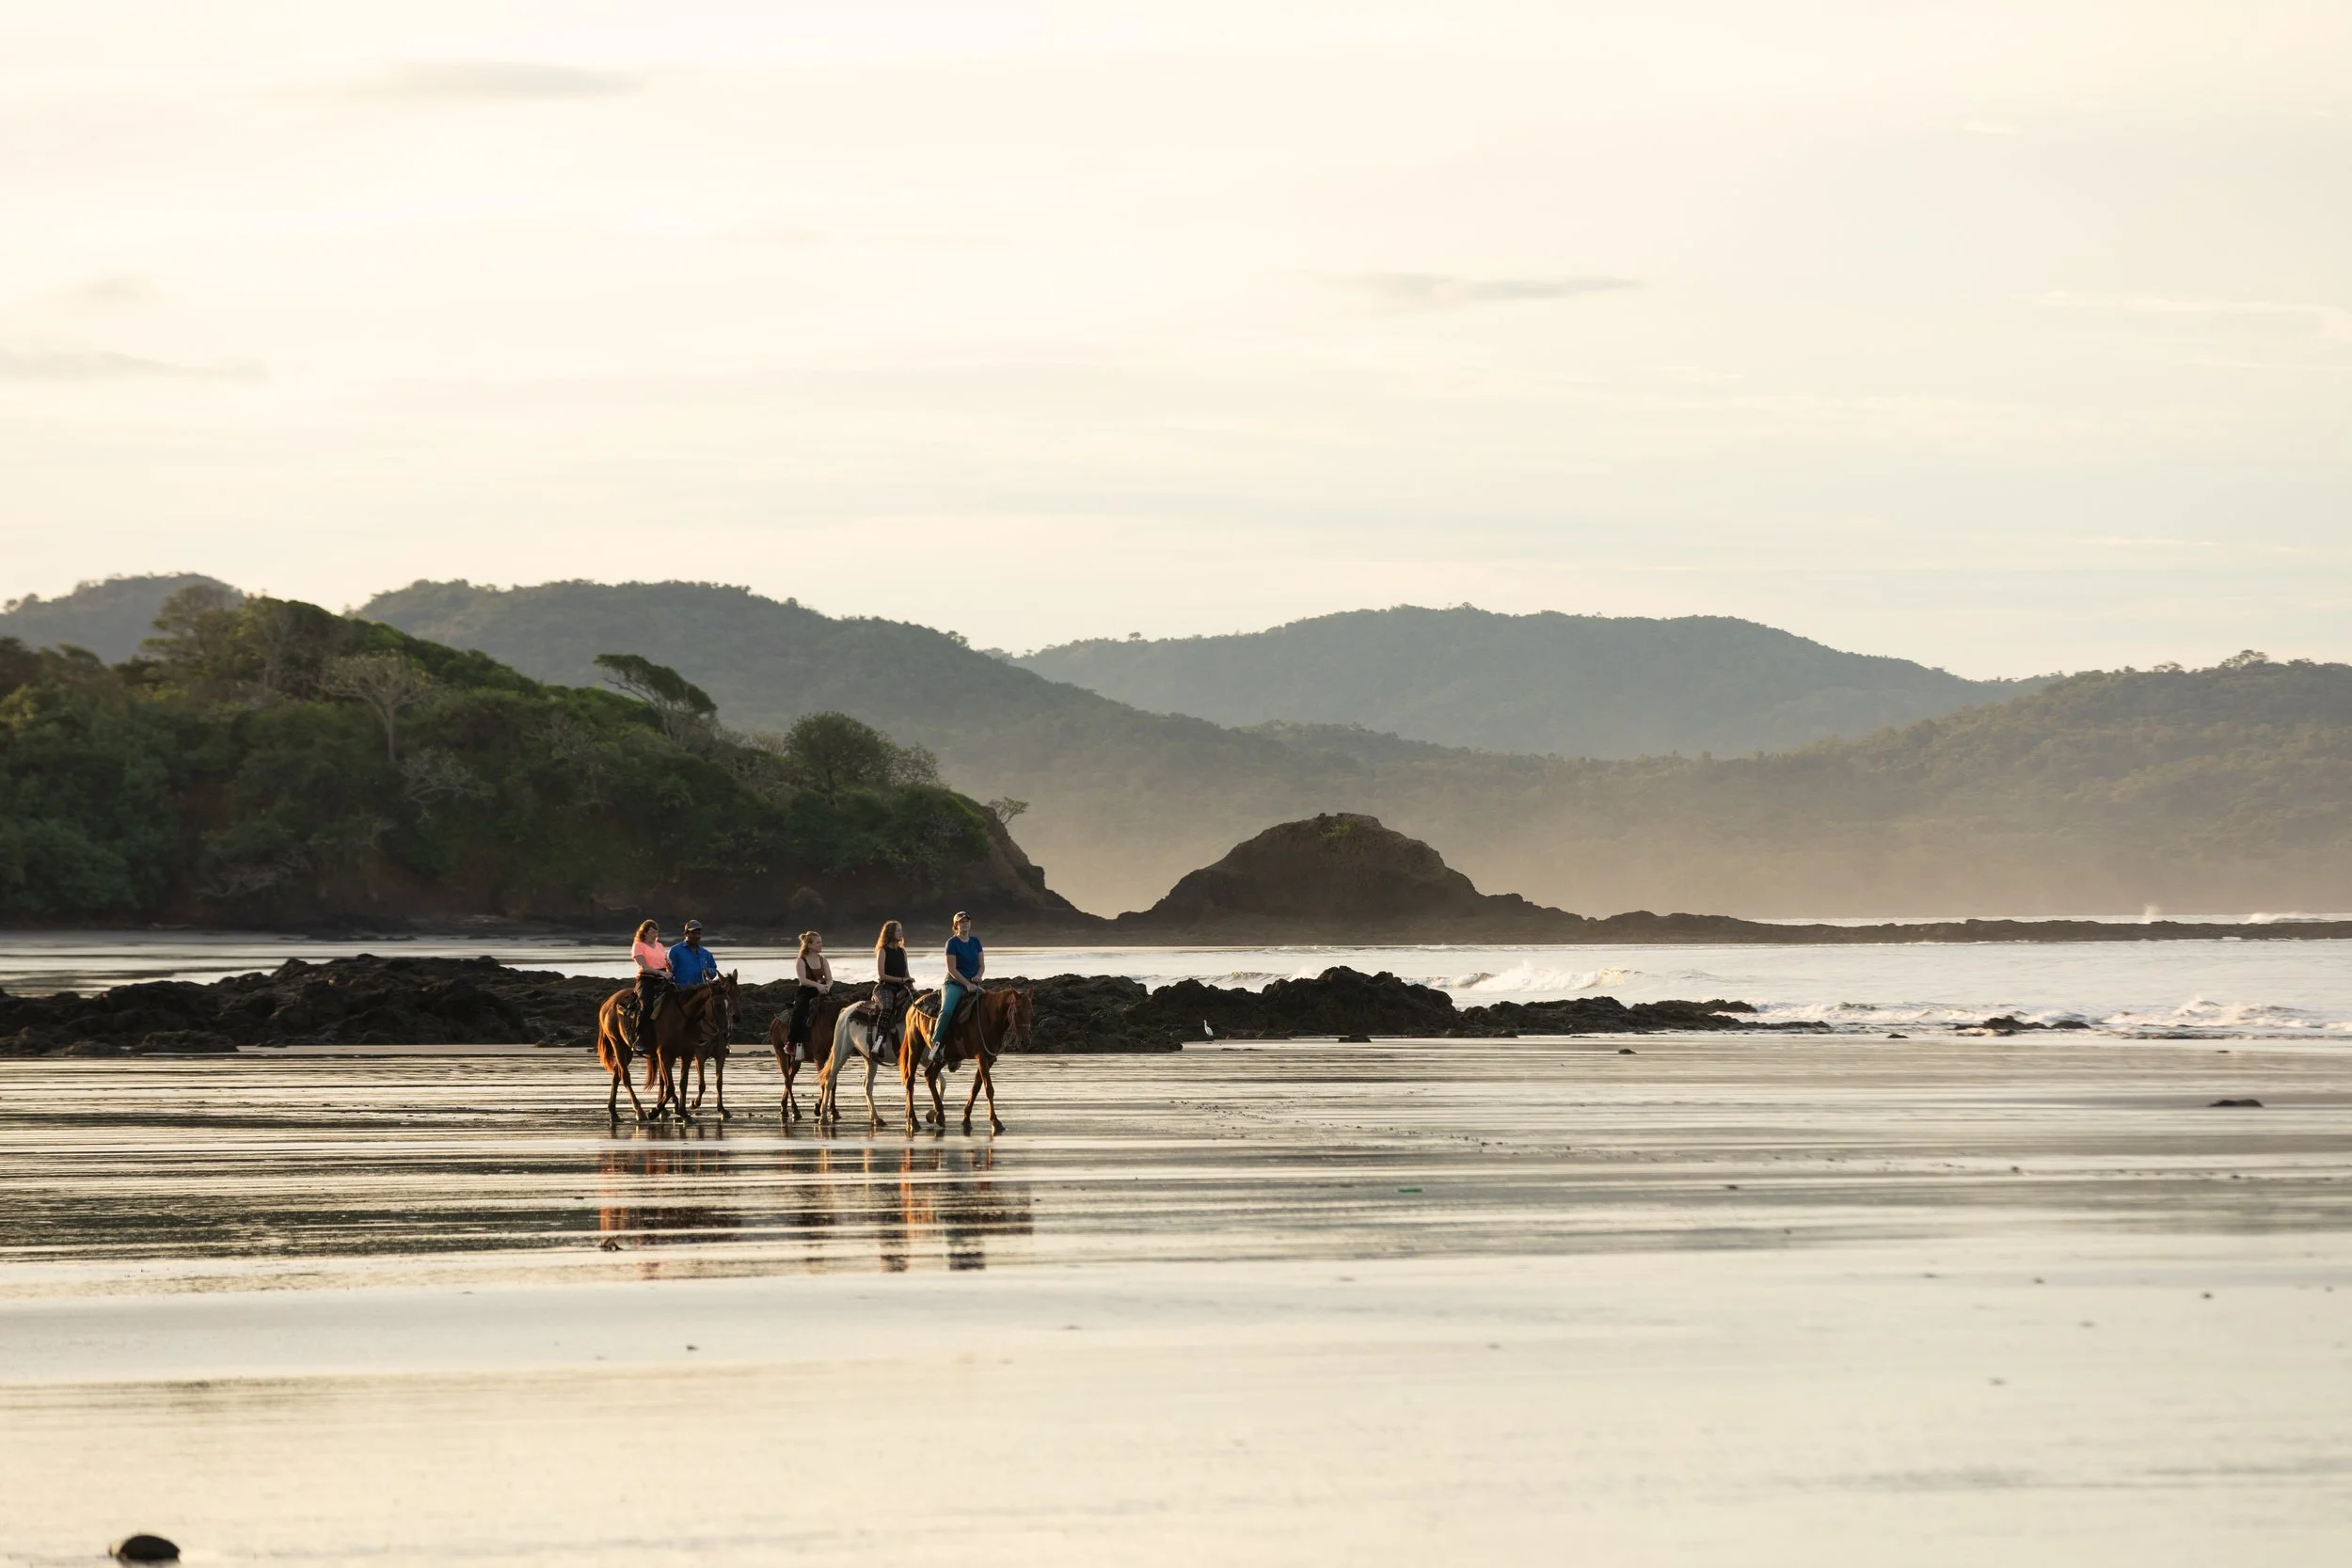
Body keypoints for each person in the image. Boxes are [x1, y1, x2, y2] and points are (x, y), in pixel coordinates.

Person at [931, 911, 983, 1067]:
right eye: (961, 922)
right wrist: (966, 984)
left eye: (967, 921)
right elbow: (952, 969)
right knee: (947, 1011)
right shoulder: (952, 943)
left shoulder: (976, 942)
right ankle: (936, 1044)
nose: (965, 924)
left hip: (974, 983)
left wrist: (979, 976)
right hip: (954, 983)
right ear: (956, 925)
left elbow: (981, 965)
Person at [787, 930, 832, 1062]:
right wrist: (817, 986)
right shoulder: (801, 960)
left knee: (839, 1008)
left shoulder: (823, 960)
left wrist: (827, 986)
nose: (821, 945)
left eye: (821, 942)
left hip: (824, 991)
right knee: (799, 1011)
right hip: (806, 991)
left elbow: (830, 978)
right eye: (818, 943)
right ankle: (791, 1043)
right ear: (810, 945)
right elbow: (802, 980)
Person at [628, 918, 672, 1049]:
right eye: (652, 932)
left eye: (656, 932)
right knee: (646, 1006)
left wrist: (669, 967)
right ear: (645, 933)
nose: (655, 934)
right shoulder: (638, 945)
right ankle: (639, 1037)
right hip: (646, 979)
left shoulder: (659, 946)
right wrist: (660, 973)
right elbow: (643, 966)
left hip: (663, 978)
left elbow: (664, 962)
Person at [872, 920, 913, 1050]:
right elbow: (882, 975)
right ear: (890, 933)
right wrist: (902, 980)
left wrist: (909, 982)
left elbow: (906, 972)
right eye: (898, 930)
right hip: (885, 987)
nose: (901, 932)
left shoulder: (902, 952)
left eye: (901, 930)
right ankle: (879, 1041)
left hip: (901, 987)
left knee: (919, 1002)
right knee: (887, 1008)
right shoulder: (883, 951)